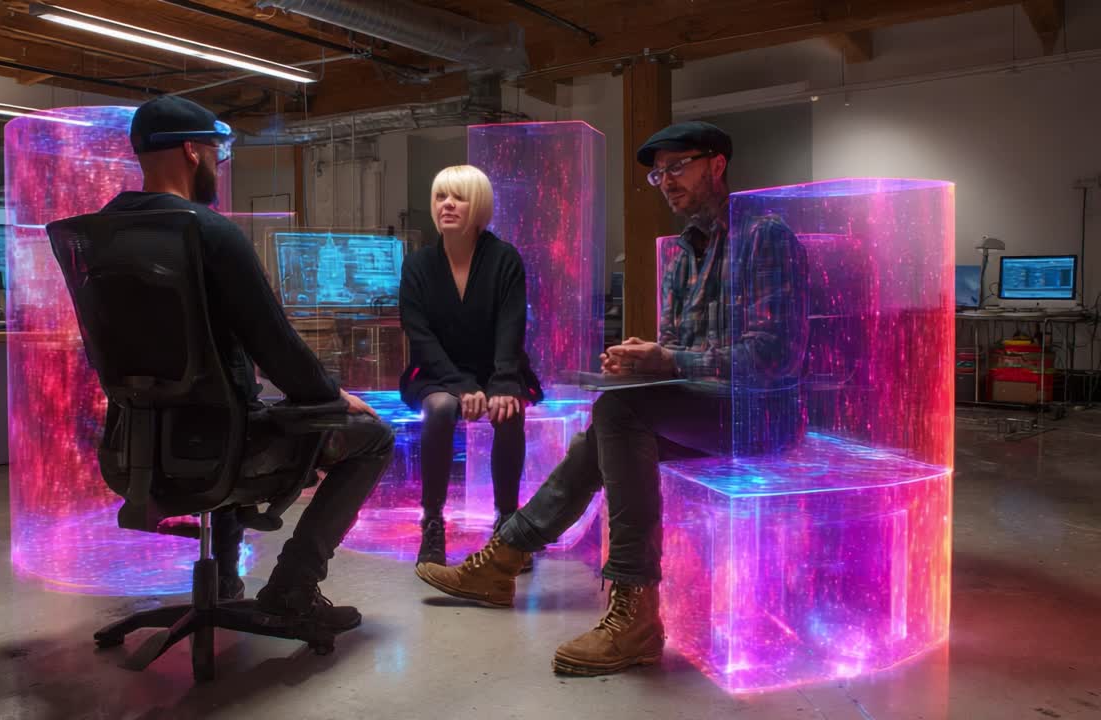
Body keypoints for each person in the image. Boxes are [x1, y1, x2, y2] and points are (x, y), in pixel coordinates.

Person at [415, 121, 809, 675]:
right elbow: (678, 353)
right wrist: (641, 361)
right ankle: (508, 560)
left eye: (678, 167)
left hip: (761, 417)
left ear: (717, 165)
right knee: (615, 412)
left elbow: (775, 355)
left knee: (616, 414)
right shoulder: (678, 254)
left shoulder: (764, 236)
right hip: (705, 410)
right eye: (658, 173)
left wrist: (668, 361)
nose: (666, 181)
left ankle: (621, 604)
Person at [99, 95, 394, 632]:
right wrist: (330, 396)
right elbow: (275, 345)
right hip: (222, 448)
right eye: (216, 151)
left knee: (231, 408)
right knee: (373, 437)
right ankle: (293, 587)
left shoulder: (104, 233)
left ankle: (227, 586)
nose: (217, 163)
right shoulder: (209, 232)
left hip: (132, 446)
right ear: (192, 151)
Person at [399, 165, 543, 568]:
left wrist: (501, 384)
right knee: (442, 408)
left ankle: (508, 523)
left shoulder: (504, 259)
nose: (447, 205)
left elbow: (510, 328)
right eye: (440, 196)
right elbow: (420, 336)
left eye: (458, 197)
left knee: (508, 411)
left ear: (477, 204)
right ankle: (432, 522)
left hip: (496, 366)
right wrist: (461, 385)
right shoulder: (417, 266)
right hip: (435, 370)